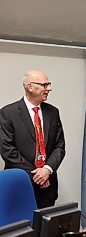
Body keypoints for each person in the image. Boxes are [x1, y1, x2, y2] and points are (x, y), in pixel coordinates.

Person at [0, 70, 65, 208]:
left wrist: (47, 169)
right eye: (44, 85)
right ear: (29, 87)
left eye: (48, 84)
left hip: (48, 187)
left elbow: (59, 146)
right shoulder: (8, 113)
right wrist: (37, 175)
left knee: (46, 227)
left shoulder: (53, 112)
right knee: (22, 229)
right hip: (21, 184)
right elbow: (7, 150)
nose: (49, 88)